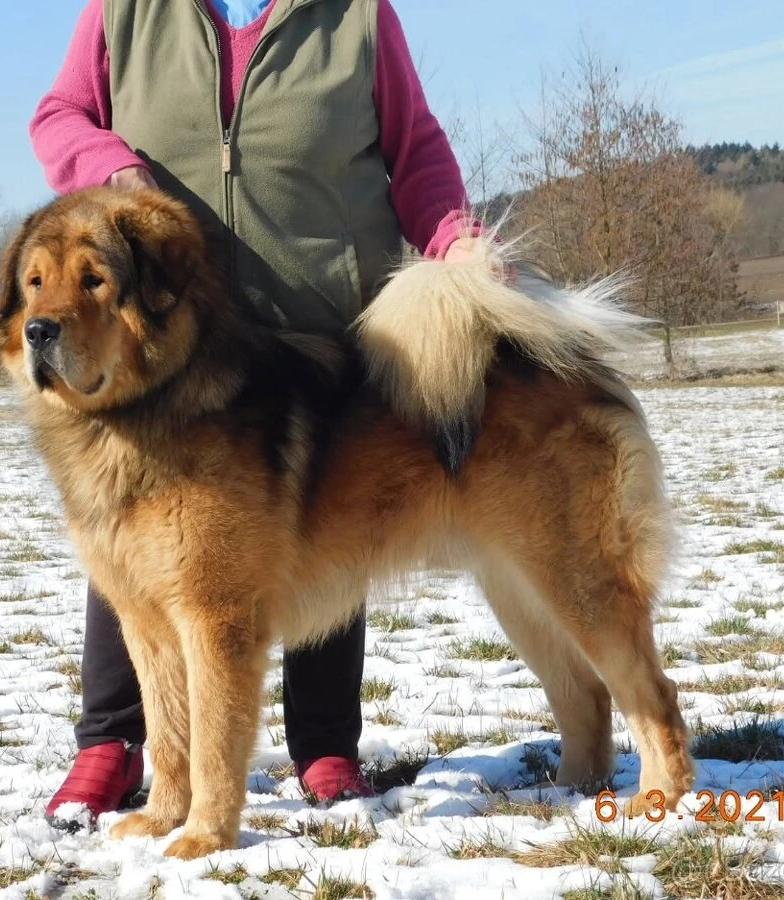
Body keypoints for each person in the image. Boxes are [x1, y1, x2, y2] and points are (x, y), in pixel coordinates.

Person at [28, 0, 476, 830]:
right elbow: (58, 115)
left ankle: (324, 745)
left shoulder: (357, 15)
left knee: (327, 529)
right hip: (171, 336)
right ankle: (113, 743)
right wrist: (112, 165)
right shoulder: (123, 11)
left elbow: (416, 149)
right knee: (137, 541)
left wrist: (456, 241)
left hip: (324, 333)